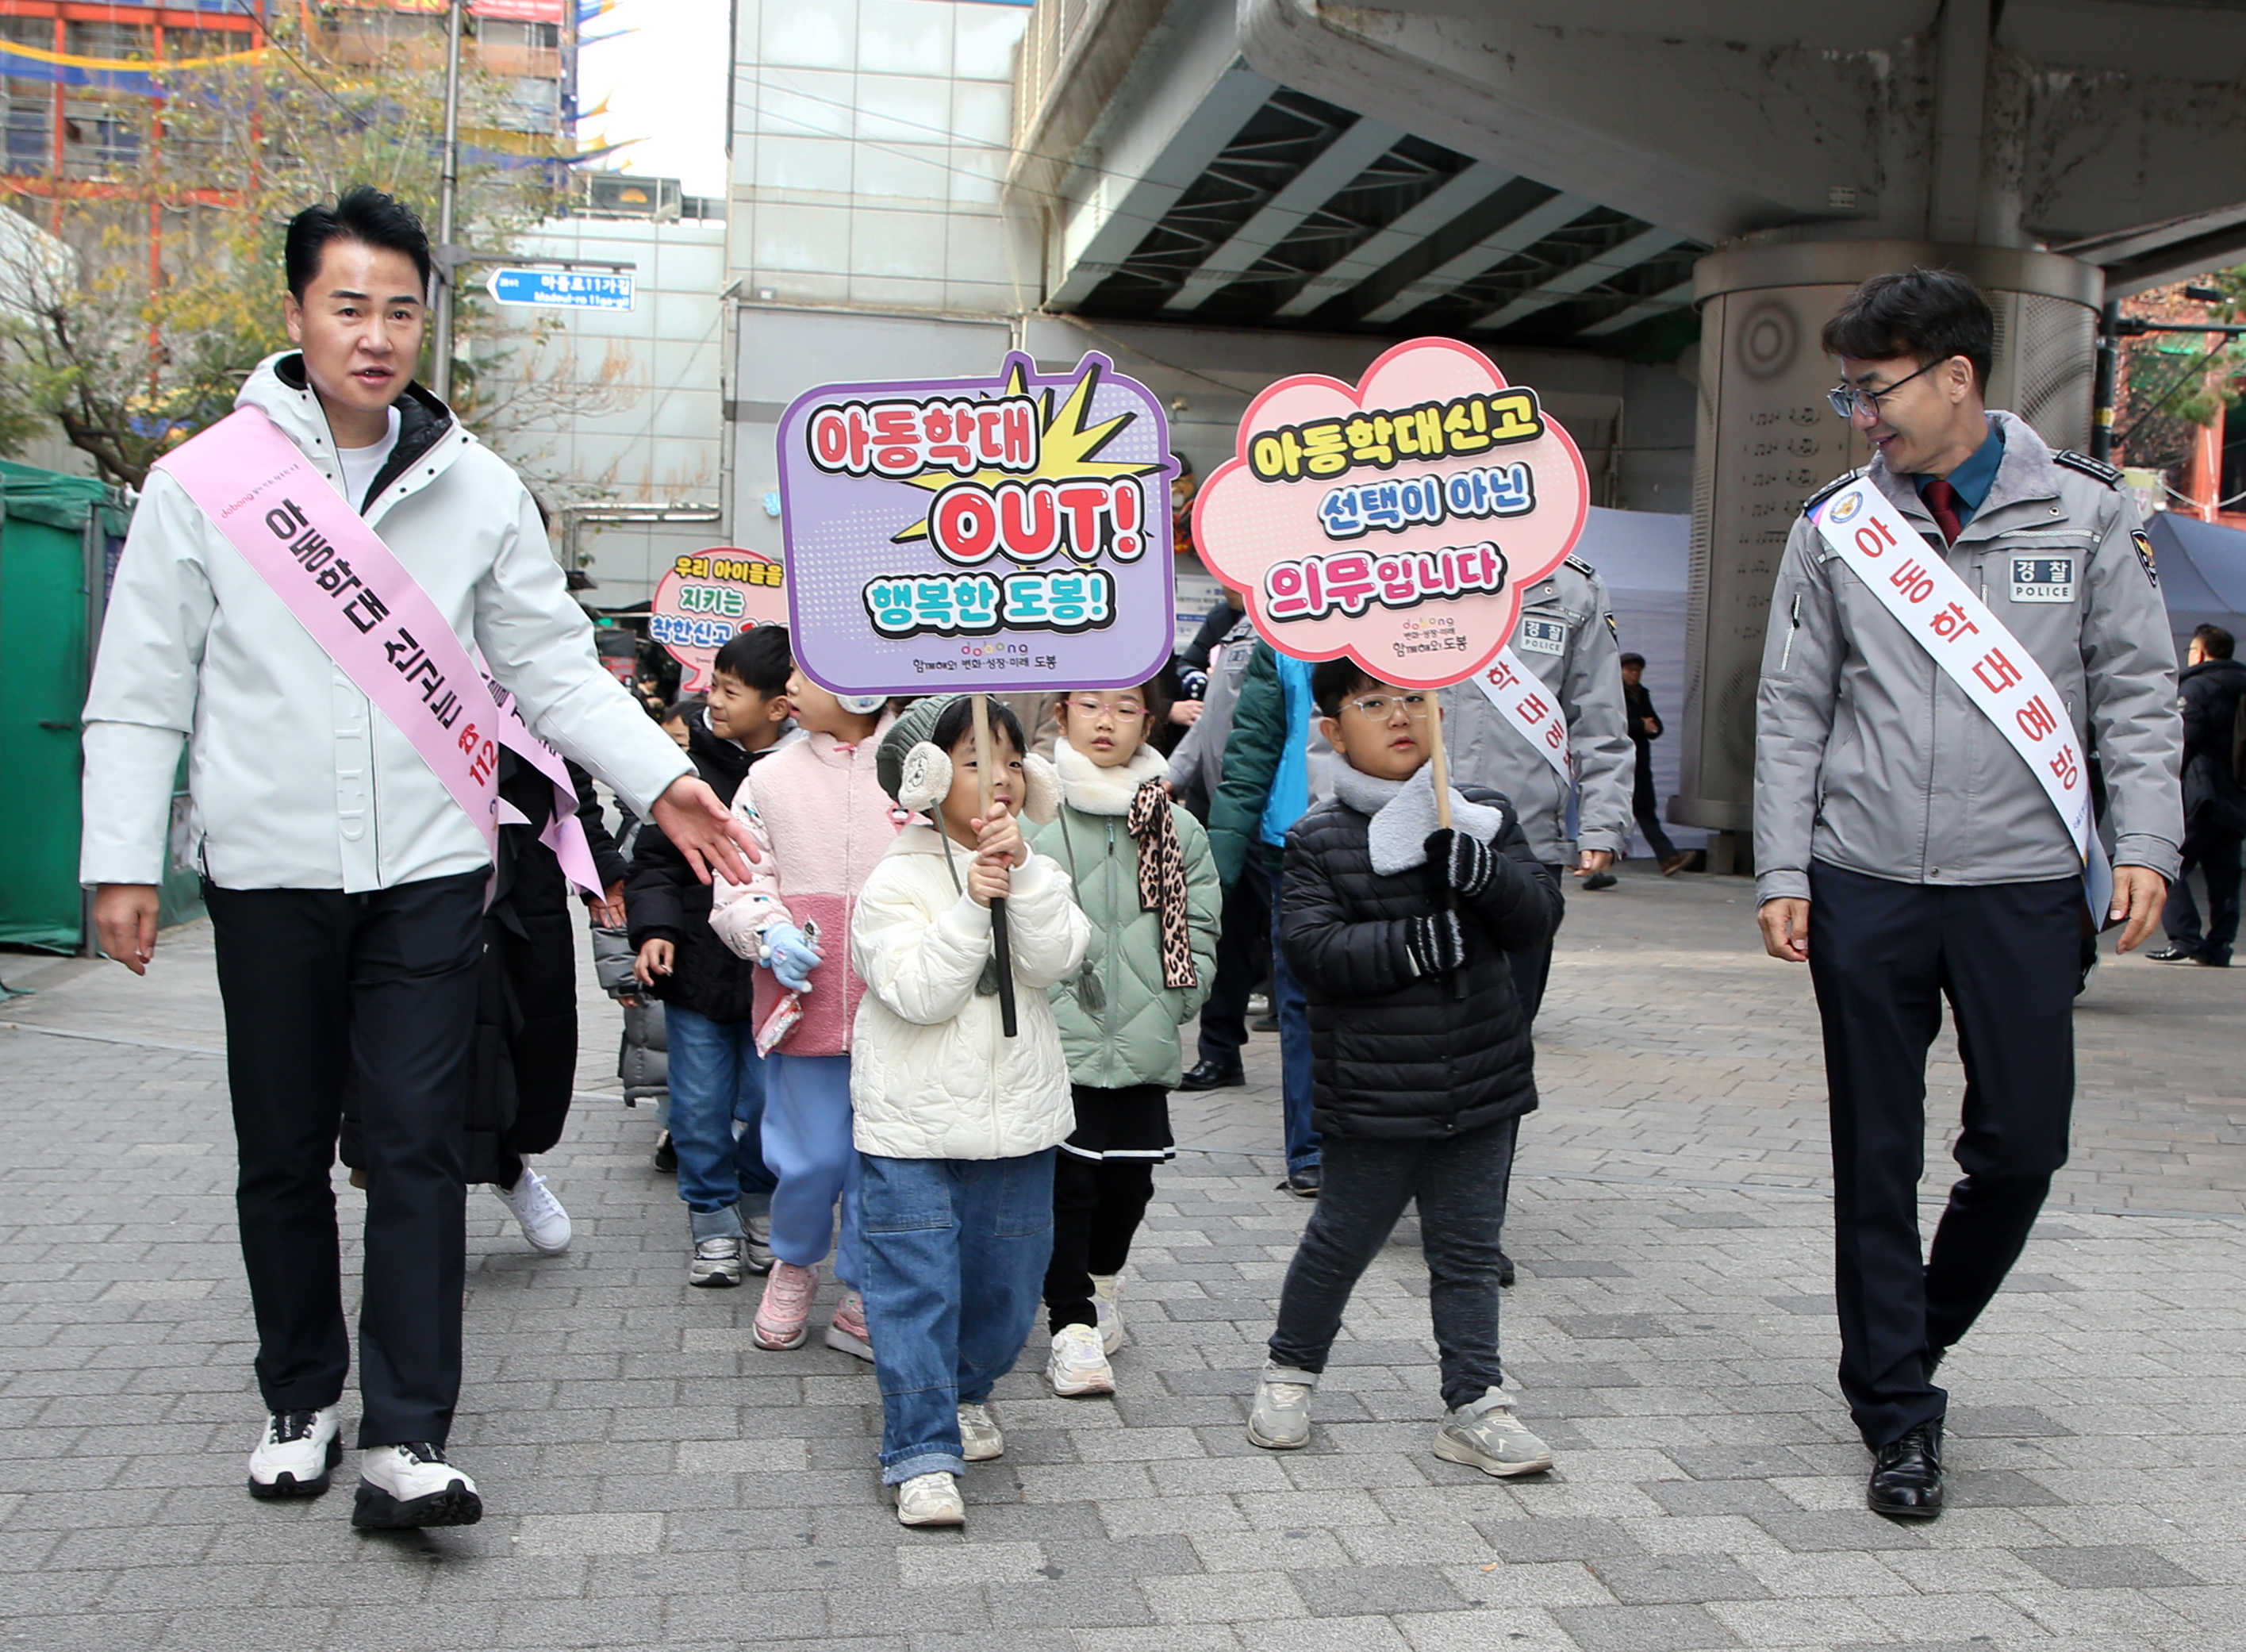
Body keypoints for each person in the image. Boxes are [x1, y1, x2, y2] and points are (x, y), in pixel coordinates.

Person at [78, 186, 754, 1529]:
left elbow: (555, 674)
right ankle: (298, 1394)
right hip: (267, 872)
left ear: (422, 320)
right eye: (349, 306)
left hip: (437, 872)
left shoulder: (480, 488)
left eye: (399, 309)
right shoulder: (205, 484)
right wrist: (120, 857)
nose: (376, 334)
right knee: (278, 1144)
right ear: (296, 314)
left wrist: (667, 781)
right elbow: (142, 679)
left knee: (417, 1149)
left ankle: (405, 1433)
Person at [1756, 267, 2180, 1519]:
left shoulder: (2092, 516)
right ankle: (1896, 1412)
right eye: (1846, 389)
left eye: (1871, 387)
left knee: (2020, 1144)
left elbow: (2135, 693)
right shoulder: (1835, 525)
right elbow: (1791, 709)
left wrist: (2145, 840)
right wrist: (1782, 865)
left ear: (1955, 375)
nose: (1857, 414)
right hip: (1865, 878)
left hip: (2021, 886)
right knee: (1873, 1155)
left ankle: (1904, 1338)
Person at [1244, 664, 1561, 1474]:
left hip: (1482, 1083)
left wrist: (1483, 875)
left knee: (1465, 1251)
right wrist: (1412, 945)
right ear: (1330, 728)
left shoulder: (1480, 812)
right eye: (1372, 703)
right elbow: (1310, 954)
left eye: (1414, 700)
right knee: (1340, 1242)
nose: (1399, 718)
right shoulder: (1317, 837)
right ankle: (1290, 1369)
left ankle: (1474, 1402)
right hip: (1375, 1089)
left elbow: (1535, 921)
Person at [847, 695, 1088, 1527]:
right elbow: (915, 993)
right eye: (979, 759)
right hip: (909, 1129)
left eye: (1014, 762)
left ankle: (965, 1392)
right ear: (931, 774)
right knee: (914, 1290)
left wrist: (1017, 881)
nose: (1003, 778)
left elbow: (1057, 958)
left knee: (1004, 1291)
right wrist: (964, 906)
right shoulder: (892, 878)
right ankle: (918, 1449)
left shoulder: (1038, 865)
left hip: (1017, 1123)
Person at [1028, 682, 1220, 1397]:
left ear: (1148, 719)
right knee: (1066, 1186)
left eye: (1125, 706)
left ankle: (1101, 1283)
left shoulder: (1173, 824)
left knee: (1129, 1184)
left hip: (1142, 1039)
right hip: (1057, 1037)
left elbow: (1200, 921)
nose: (1106, 720)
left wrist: (1182, 996)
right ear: (1061, 715)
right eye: (1089, 704)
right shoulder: (1033, 814)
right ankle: (1071, 1324)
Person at [708, 662, 900, 1359]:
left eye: (803, 675)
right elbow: (739, 878)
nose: (788, 690)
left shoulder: (916, 764)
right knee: (811, 1158)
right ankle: (793, 1262)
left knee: (885, 1162)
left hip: (903, 1006)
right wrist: (768, 932)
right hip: (805, 1004)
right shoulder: (769, 778)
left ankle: (864, 1284)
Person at [628, 628, 793, 1287]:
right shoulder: (687, 769)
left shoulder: (803, 771)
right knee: (697, 1108)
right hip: (696, 974)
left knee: (764, 1109)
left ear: (780, 705)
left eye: (730, 690)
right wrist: (654, 930)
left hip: (773, 980)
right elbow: (653, 864)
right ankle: (712, 1220)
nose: (712, 700)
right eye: (713, 685)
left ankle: (758, 1207)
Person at [1438, 559, 1634, 1010]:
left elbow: (1600, 722)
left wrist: (1603, 823)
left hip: (1525, 845)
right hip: (1409, 838)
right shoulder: (1403, 564)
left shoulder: (1573, 588)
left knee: (1507, 1023)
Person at [1207, 641, 1338, 1196]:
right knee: (1302, 1004)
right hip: (1296, 839)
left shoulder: (1412, 607)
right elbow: (1253, 744)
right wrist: (1223, 857)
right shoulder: (1283, 629)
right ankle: (1309, 1149)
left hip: (1401, 830)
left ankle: (1389, 1153)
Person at [2149, 623, 2246, 966]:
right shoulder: (2242, 685)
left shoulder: (2197, 687)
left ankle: (2185, 938)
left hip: (2201, 793)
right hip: (2237, 797)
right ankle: (2220, 946)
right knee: (2226, 876)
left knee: (2170, 865)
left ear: (2201, 652)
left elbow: (2183, 741)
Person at [1618, 653, 1688, 874]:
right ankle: (1591, 859)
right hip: (1619, 762)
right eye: (1629, 670)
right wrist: (1641, 725)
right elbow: (1613, 725)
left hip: (1640, 763)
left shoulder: (1642, 694)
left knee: (1645, 811)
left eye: (1637, 670)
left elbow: (1655, 724)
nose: (1634, 674)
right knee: (1609, 811)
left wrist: (1652, 727)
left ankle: (1668, 857)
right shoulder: (1614, 693)